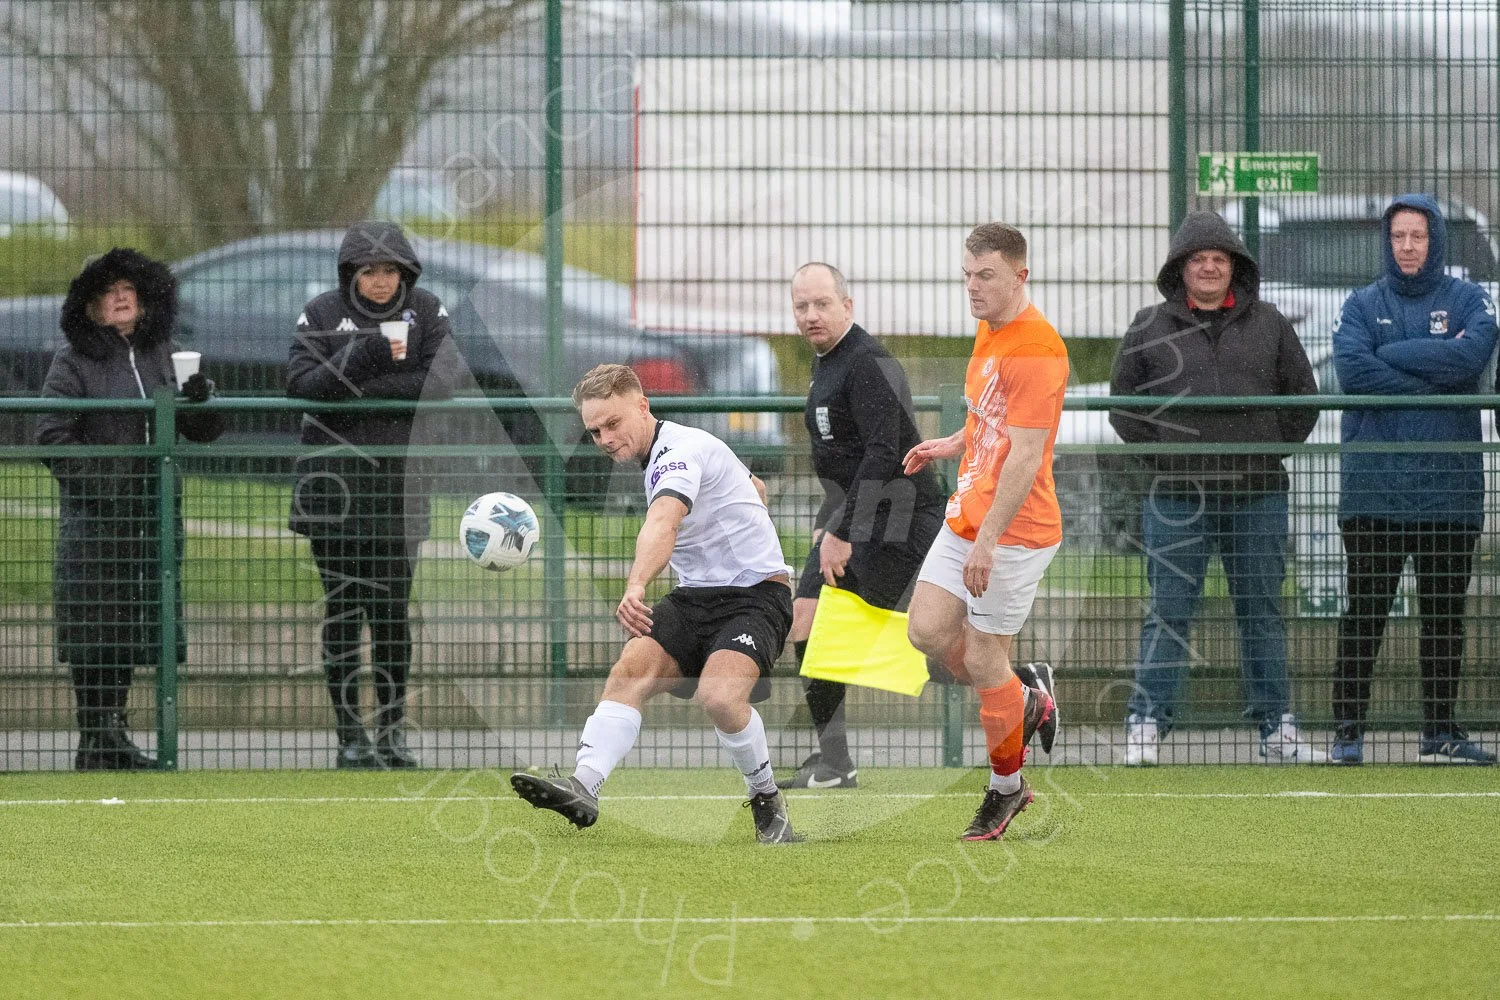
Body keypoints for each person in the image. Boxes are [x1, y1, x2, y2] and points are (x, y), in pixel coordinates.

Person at [512, 364, 799, 843]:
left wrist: (636, 586)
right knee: (631, 668)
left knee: (720, 698)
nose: (604, 438)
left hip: (755, 597)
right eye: (594, 430)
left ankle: (767, 799)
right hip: (694, 597)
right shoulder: (684, 447)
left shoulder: (676, 453)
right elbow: (756, 488)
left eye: (613, 423)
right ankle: (584, 786)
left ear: (643, 406)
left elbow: (664, 519)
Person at [1109, 211, 1323, 765]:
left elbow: (1304, 398)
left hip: (1259, 495)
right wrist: (1166, 460)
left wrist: (1264, 452)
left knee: (1262, 611)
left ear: (1235, 268)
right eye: (1198, 259)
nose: (1208, 267)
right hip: (1177, 498)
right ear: (1181, 269)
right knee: (1169, 610)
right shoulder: (1147, 326)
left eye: (1219, 259)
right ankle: (1147, 723)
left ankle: (1277, 728)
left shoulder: (1271, 322)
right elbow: (1124, 407)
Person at [903, 223, 1067, 841]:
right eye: (967, 276)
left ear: (1020, 276)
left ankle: (1006, 789)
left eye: (986, 276)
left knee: (978, 654)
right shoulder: (990, 327)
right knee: (925, 631)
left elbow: (1026, 456)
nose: (973, 288)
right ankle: (1026, 696)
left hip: (1016, 531)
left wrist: (989, 540)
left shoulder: (1038, 350)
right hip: (968, 511)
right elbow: (988, 418)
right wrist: (952, 444)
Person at [37, 248, 223, 770]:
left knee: (136, 624)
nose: (120, 299)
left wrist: (200, 399)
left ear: (143, 301)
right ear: (91, 307)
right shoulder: (72, 362)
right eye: (109, 292)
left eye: (129, 291)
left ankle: (113, 736)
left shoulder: (165, 352)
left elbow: (202, 431)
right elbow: (51, 435)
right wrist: (105, 486)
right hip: (95, 519)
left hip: (155, 517)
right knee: (94, 626)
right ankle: (94, 736)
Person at [1330, 194, 1497, 765]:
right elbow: (1352, 370)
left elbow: (1470, 359)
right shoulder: (1359, 304)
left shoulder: (1470, 300)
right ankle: (1348, 732)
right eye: (1398, 236)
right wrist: (1431, 378)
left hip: (1449, 493)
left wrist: (1394, 358)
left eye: (1418, 237)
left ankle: (1440, 733)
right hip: (1373, 492)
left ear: (1435, 242)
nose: (1407, 247)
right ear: (1387, 240)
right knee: (1364, 616)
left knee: (1444, 619)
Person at [288, 220, 455, 770]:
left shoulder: (427, 311)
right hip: (330, 494)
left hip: (399, 494)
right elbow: (302, 387)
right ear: (351, 274)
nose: (380, 281)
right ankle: (349, 736)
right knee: (342, 612)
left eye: (389, 270)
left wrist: (355, 387)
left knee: (390, 614)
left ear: (404, 272)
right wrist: (368, 356)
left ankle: (390, 734)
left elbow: (441, 382)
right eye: (368, 270)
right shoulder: (319, 312)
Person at [777, 262, 947, 790]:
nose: (811, 315)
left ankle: (1017, 684)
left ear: (847, 306)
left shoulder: (868, 363)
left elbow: (884, 453)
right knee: (803, 619)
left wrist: (842, 532)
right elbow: (842, 458)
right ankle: (835, 763)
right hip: (857, 515)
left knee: (906, 634)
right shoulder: (825, 363)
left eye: (822, 304)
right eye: (801, 306)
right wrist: (831, 520)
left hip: (903, 514)